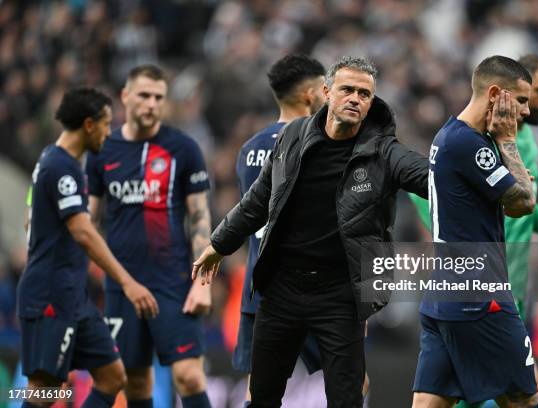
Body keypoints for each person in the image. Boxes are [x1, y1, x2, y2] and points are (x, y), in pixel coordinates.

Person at [193, 56, 429, 407]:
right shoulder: (292, 137)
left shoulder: (383, 152)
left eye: (364, 94)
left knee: (346, 398)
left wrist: (487, 180)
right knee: (262, 396)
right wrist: (218, 244)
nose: (355, 99)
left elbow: (432, 178)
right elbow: (258, 200)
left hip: (341, 295)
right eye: (347, 89)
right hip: (282, 288)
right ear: (326, 92)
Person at [234, 53, 365, 406]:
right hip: (315, 284)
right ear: (311, 94)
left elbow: (248, 215)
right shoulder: (326, 147)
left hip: (260, 287)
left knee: (259, 387)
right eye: (326, 88)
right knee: (355, 382)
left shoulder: (250, 150)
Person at [412, 56, 538, 408]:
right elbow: (523, 203)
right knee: (524, 400)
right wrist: (509, 142)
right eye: (522, 99)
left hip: (444, 292)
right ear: (496, 94)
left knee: (429, 401)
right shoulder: (471, 144)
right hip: (480, 297)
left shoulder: (451, 135)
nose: (526, 112)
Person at [17, 88, 159, 408]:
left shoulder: (57, 162)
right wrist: (127, 282)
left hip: (72, 296)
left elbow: (30, 217)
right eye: (106, 124)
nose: (109, 133)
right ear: (88, 125)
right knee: (44, 391)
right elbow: (82, 231)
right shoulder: (59, 167)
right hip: (50, 295)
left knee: (112, 376)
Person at [86, 65, 213, 408]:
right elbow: (88, 221)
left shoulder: (183, 149)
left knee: (189, 374)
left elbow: (200, 217)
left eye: (158, 97)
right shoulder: (101, 151)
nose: (151, 104)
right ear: (125, 97)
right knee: (136, 381)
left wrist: (203, 281)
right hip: (122, 283)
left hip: (172, 282)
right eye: (144, 95)